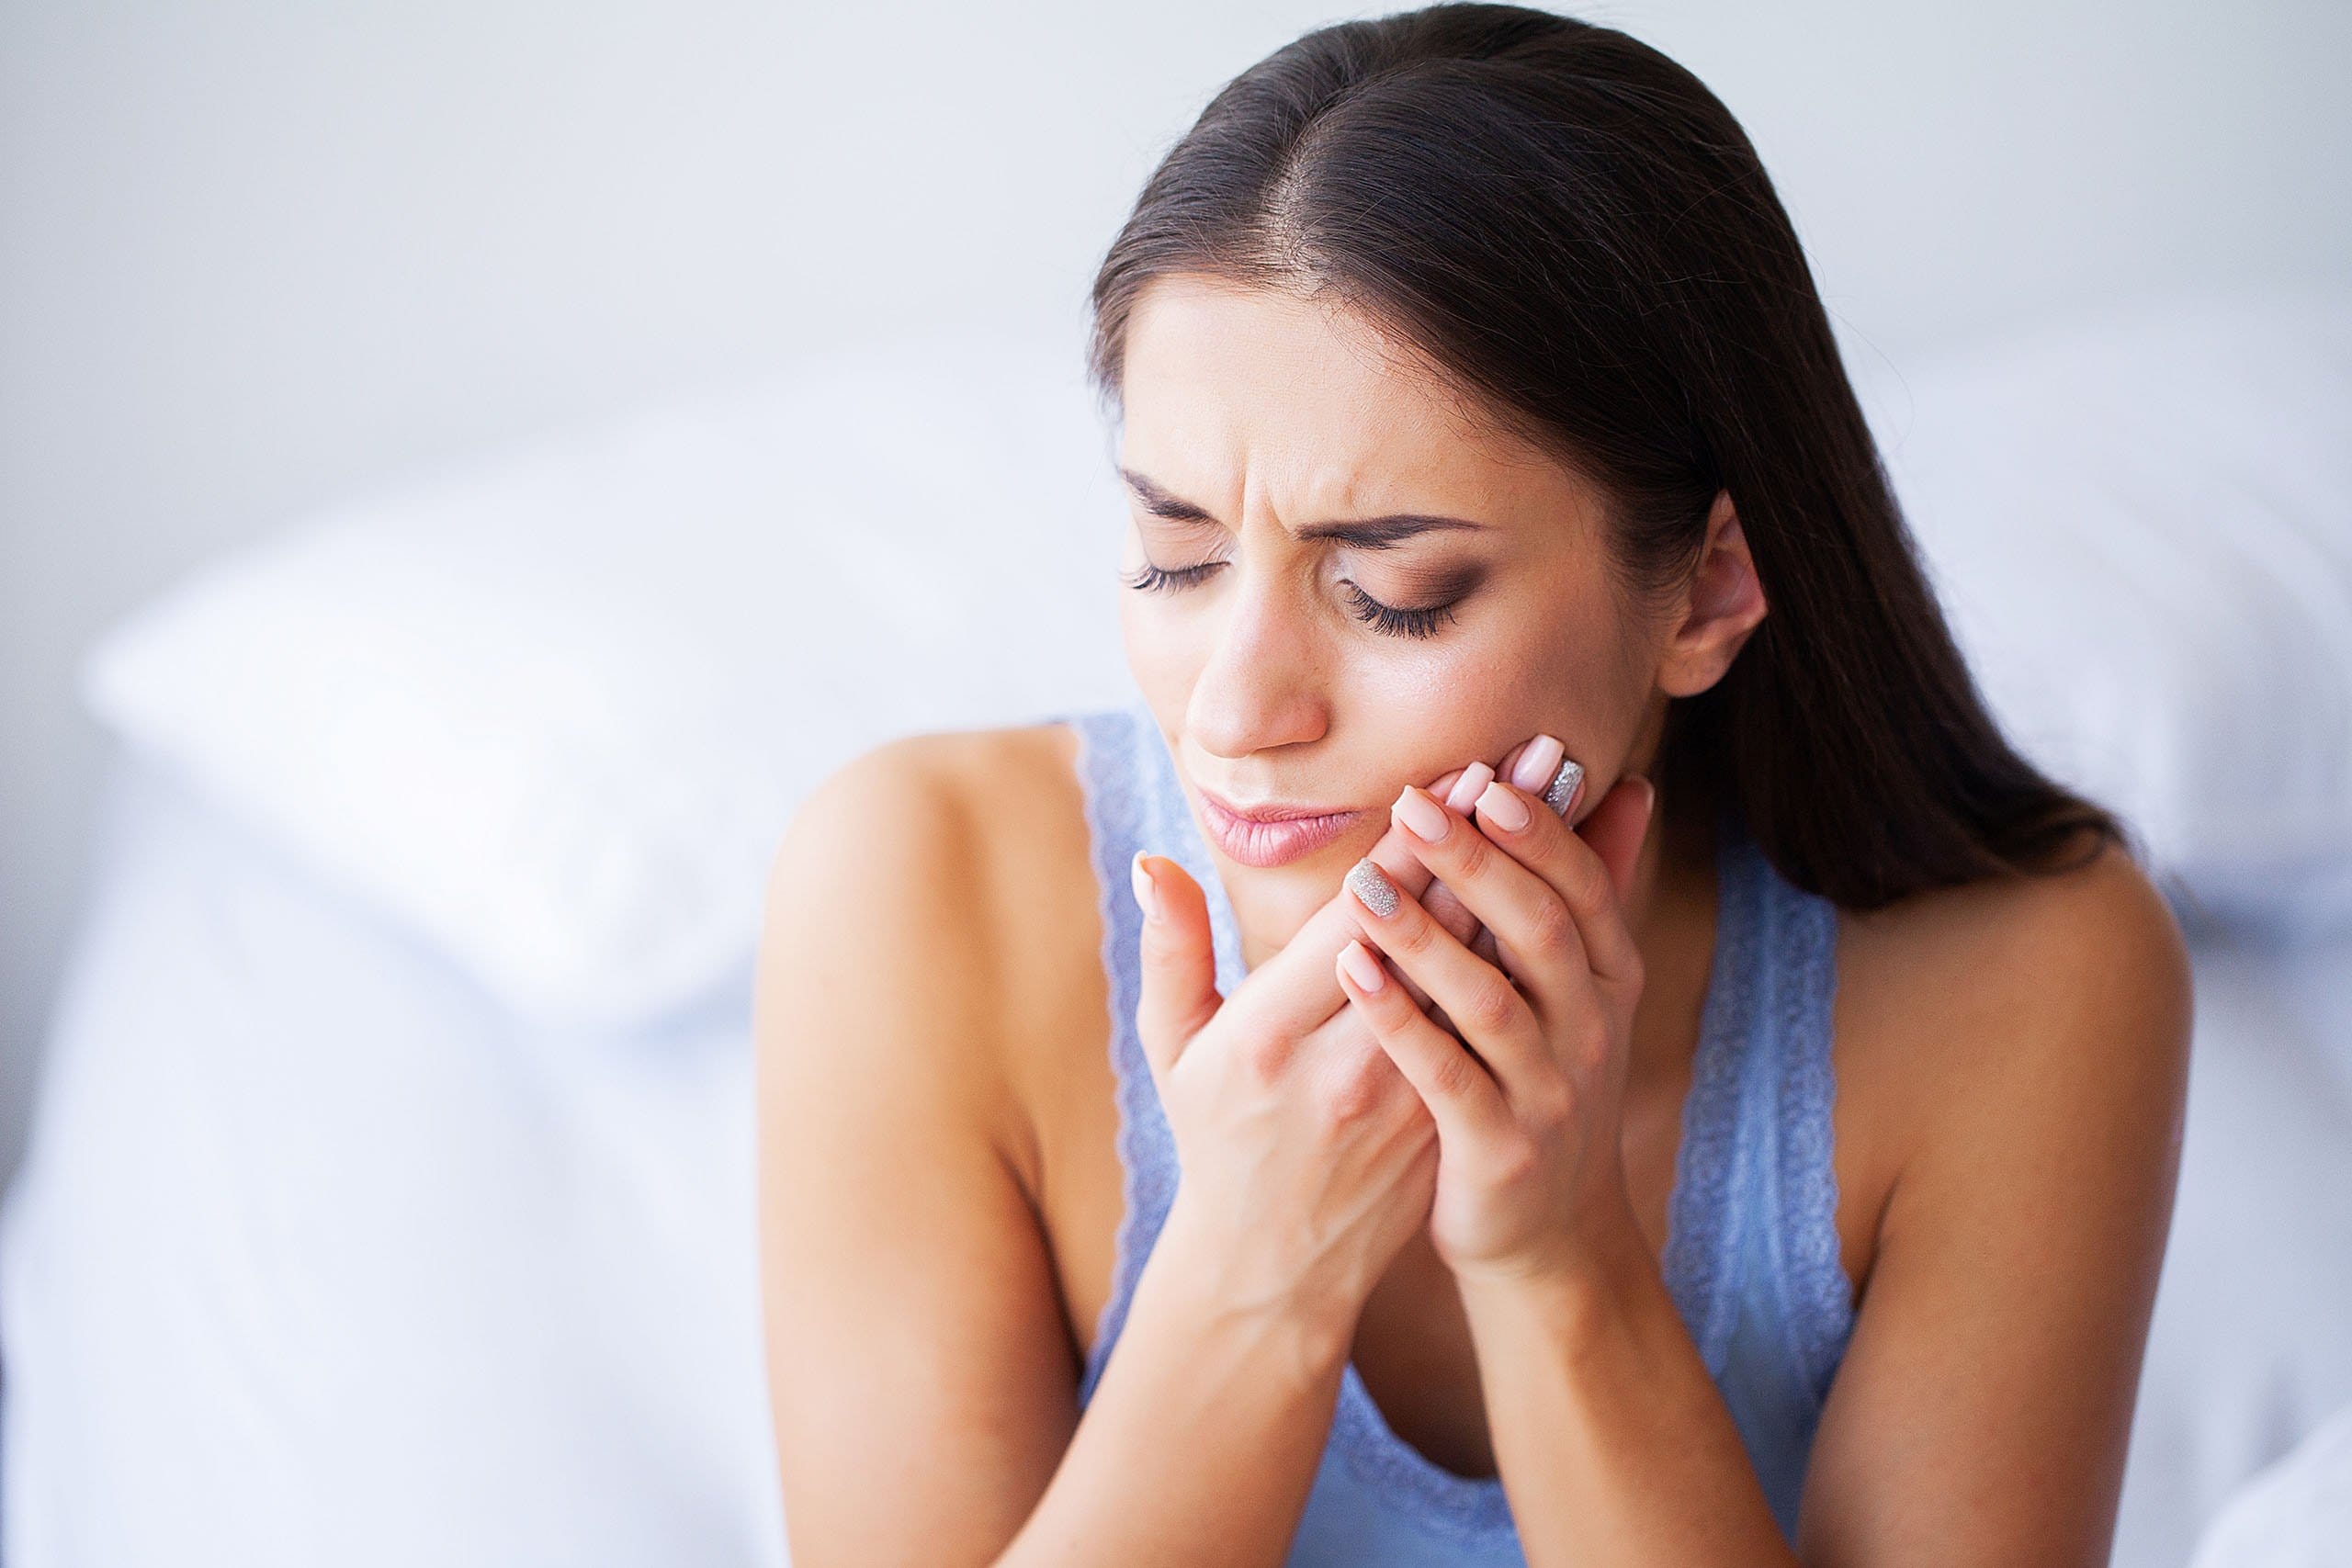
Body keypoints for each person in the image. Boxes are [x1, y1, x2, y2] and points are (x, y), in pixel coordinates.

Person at [752, 5, 2193, 1563]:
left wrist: (1561, 1270)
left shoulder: (2030, 979)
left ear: (1708, 587)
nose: (1235, 711)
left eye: (1400, 595)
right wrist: (1254, 1266)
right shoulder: (912, 889)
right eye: (1178, 555)